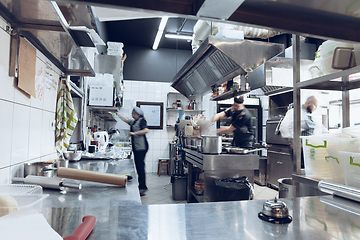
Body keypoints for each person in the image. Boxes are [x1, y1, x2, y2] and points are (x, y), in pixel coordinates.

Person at [117, 107, 149, 196]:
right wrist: (117, 114)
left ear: (136, 114)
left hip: (141, 147)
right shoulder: (134, 121)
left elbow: (146, 130)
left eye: (133, 113)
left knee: (140, 167)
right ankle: (142, 186)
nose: (132, 114)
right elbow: (126, 120)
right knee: (139, 167)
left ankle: (143, 187)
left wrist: (134, 133)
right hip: (137, 147)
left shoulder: (141, 121)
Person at [279, 95, 318, 168]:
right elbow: (284, 127)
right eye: (314, 106)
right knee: (300, 169)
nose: (315, 109)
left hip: (307, 148)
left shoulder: (309, 115)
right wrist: (293, 140)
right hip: (298, 147)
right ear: (308, 103)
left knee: (308, 169)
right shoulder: (294, 112)